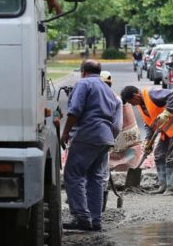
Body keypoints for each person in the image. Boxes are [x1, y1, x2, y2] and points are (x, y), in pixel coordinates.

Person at [60, 60, 122, 231]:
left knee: (74, 174)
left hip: (87, 135)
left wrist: (65, 133)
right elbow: (116, 122)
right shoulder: (108, 90)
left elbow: (75, 111)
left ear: (83, 71)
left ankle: (81, 217)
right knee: (95, 178)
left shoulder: (83, 83)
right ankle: (95, 220)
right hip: (105, 138)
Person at [120, 86, 173, 196]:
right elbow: (149, 124)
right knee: (159, 154)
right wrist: (148, 141)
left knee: (172, 155)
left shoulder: (151, 93)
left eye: (131, 102)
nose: (132, 105)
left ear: (135, 95)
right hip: (166, 129)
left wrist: (167, 112)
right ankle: (163, 185)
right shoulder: (140, 105)